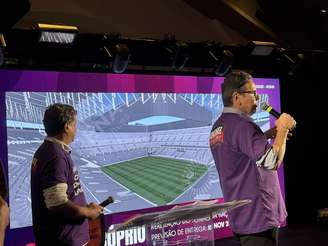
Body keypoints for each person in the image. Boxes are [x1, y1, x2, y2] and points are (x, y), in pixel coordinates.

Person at [210, 71, 295, 246]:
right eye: (253, 93)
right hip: (258, 217)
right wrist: (283, 129)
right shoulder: (243, 125)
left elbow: (238, 155)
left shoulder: (219, 125)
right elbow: (272, 162)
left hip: (241, 217)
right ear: (237, 97)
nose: (257, 98)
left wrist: (266, 136)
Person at [31, 103, 103, 246]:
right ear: (67, 127)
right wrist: (87, 213)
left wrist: (84, 207)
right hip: (63, 239)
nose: (75, 129)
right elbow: (57, 203)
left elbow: (62, 196)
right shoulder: (55, 156)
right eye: (74, 125)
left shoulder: (48, 150)